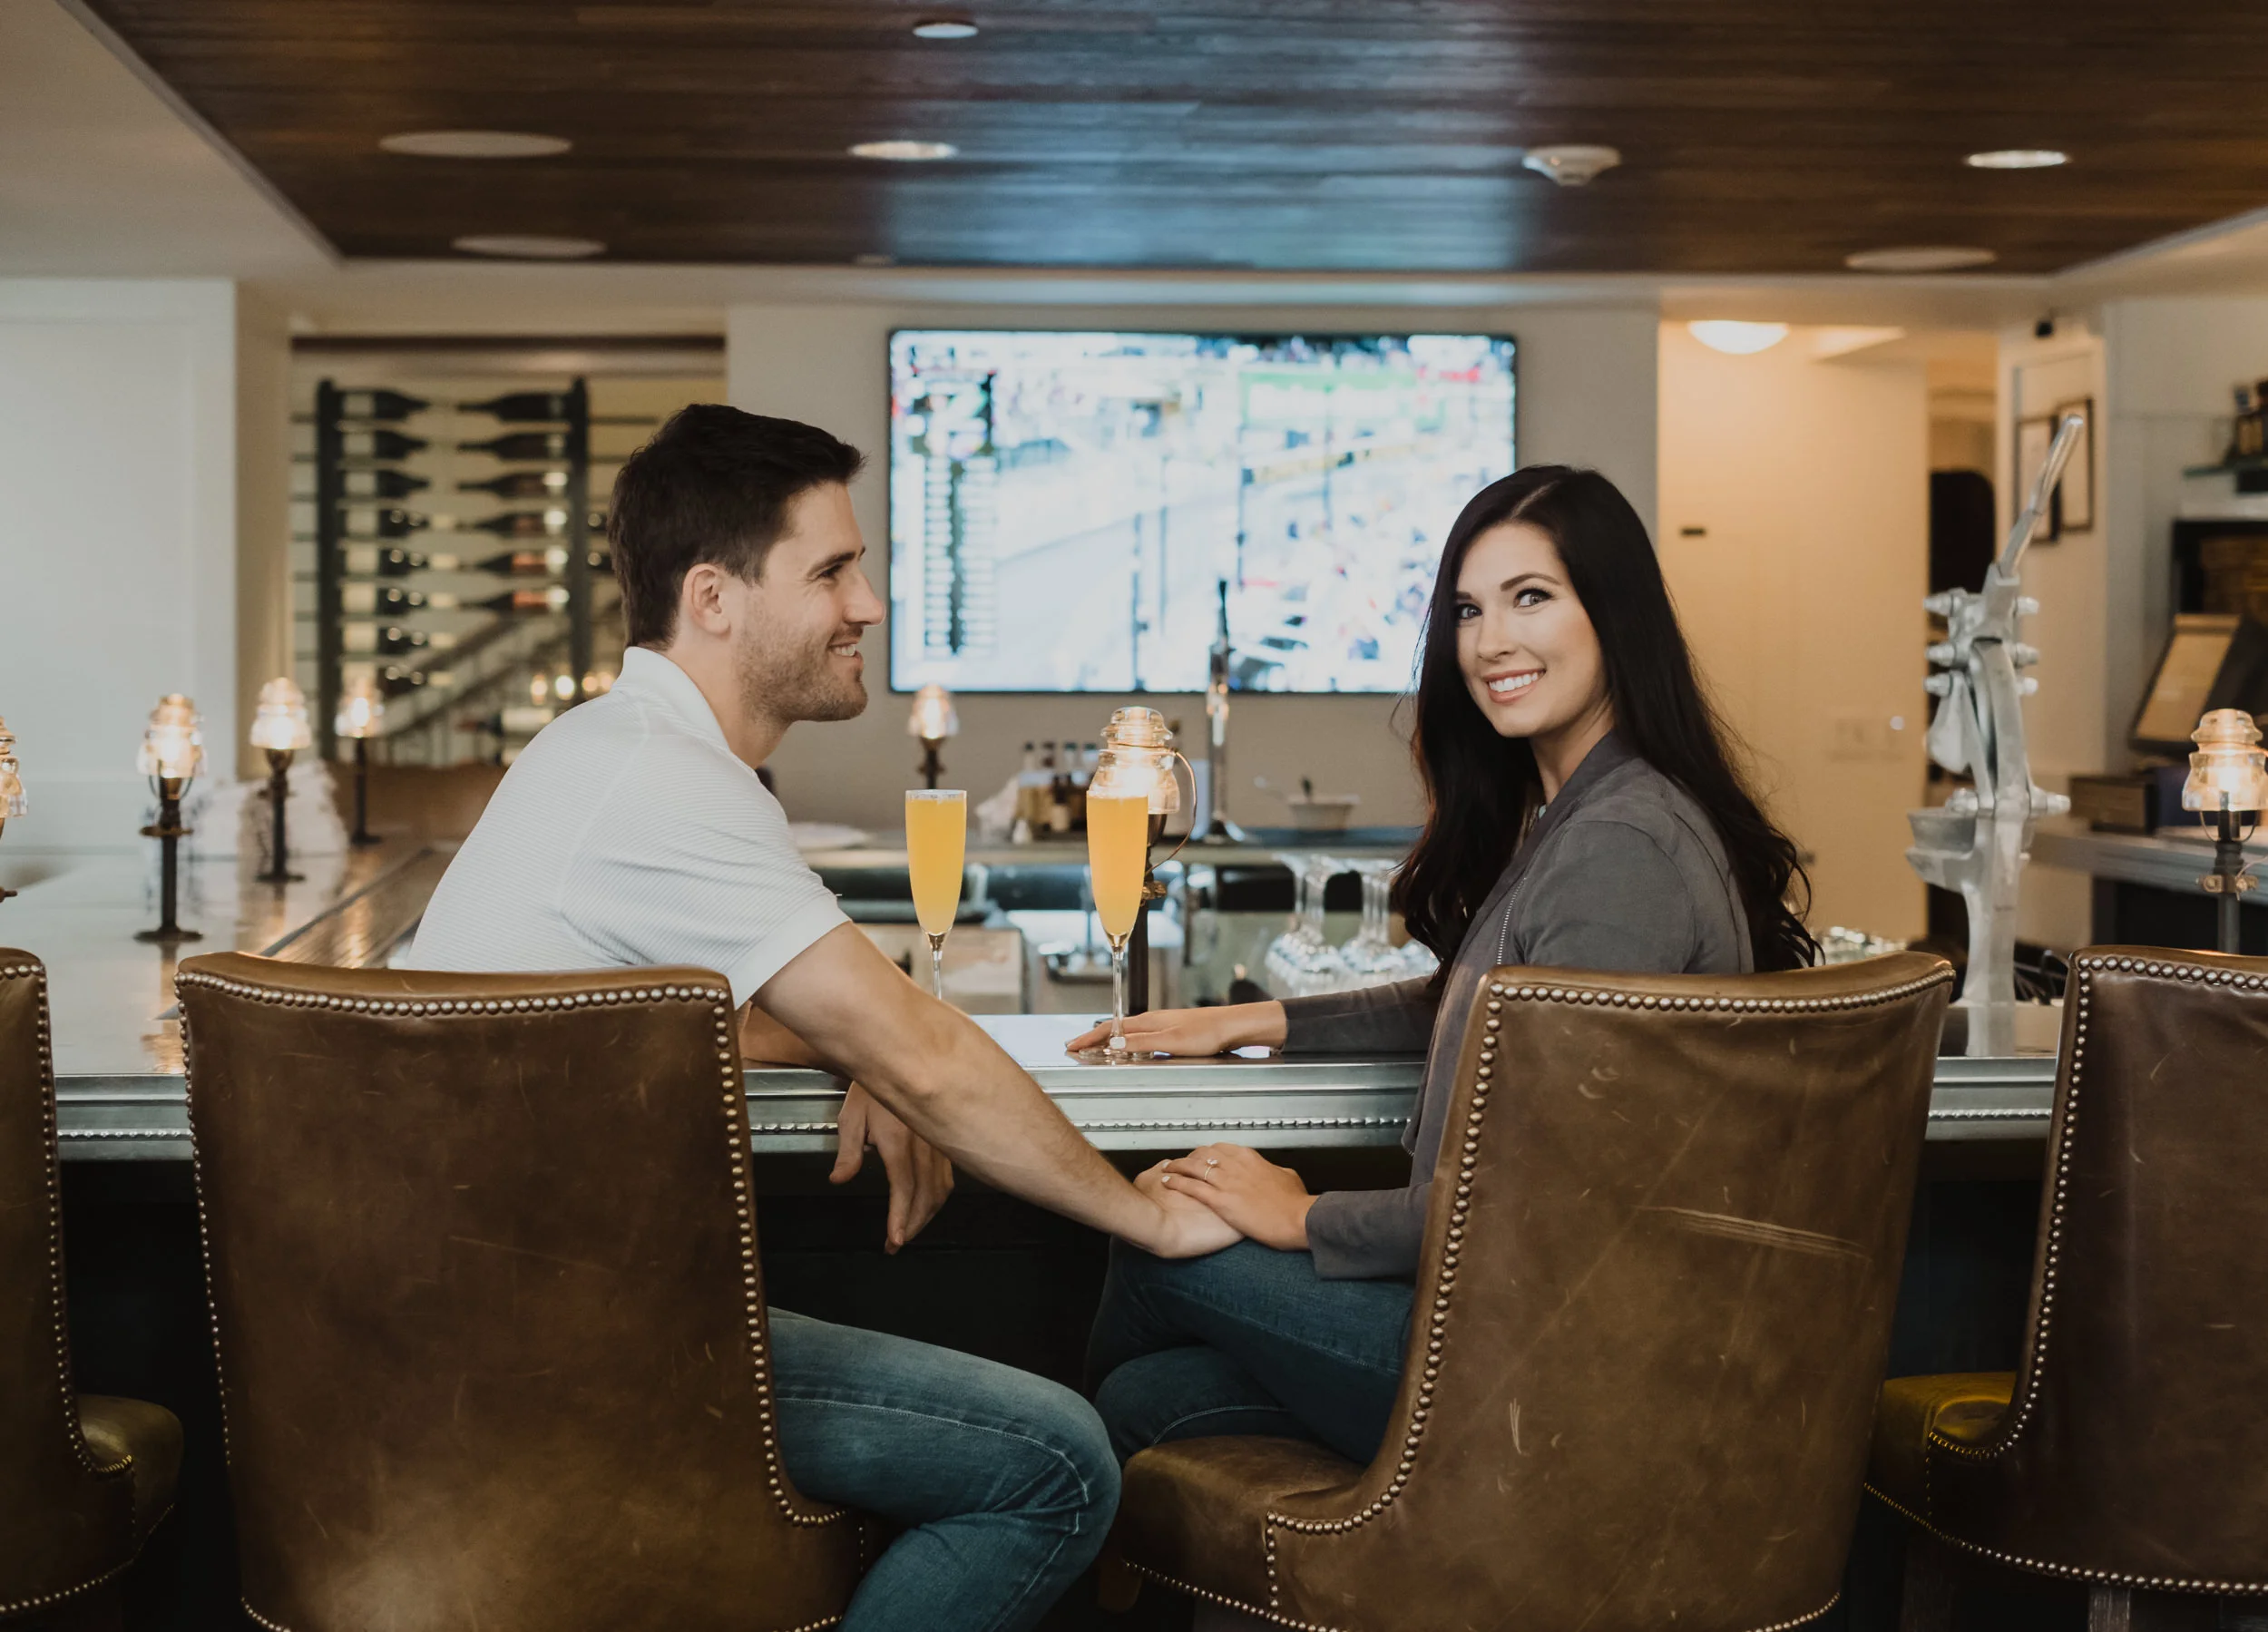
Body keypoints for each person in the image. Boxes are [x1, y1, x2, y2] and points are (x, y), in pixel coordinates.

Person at [404, 405, 1236, 1632]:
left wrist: (849, 1038)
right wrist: (1144, 1213)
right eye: (833, 570)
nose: (871, 605)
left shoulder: (610, 748)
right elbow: (926, 1048)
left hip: (486, 1321)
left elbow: (651, 1012)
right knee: (1055, 1466)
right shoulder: (664, 775)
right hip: (568, 1345)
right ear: (714, 597)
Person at [1075, 464, 1817, 1466]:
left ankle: (1035, 1509)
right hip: (1516, 1324)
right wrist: (1250, 1021)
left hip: (1545, 1363)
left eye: (1531, 598)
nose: (1489, 641)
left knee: (1153, 1238)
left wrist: (1304, 1215)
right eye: (1468, 608)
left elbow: (1543, 1195)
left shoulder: (1618, 850)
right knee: (1146, 1399)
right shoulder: (1591, 815)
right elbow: (1489, 1007)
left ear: (1615, 614)